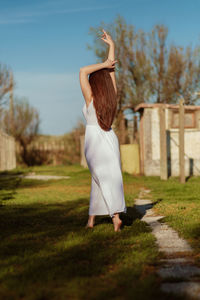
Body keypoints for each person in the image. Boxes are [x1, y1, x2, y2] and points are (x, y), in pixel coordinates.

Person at [79, 29, 126, 232]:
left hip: (94, 141)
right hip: (109, 138)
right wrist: (112, 48)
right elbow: (112, 76)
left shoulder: (90, 98)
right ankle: (91, 220)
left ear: (94, 84)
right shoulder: (111, 97)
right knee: (102, 177)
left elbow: (82, 71)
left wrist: (105, 64)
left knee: (102, 177)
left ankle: (115, 217)